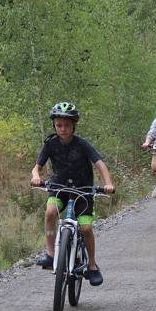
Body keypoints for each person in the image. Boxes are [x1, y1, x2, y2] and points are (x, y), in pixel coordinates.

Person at [30, 102, 115, 286]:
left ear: (74, 126)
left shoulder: (82, 145)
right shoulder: (50, 144)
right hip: (59, 188)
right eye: (59, 125)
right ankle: (51, 254)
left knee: (85, 228)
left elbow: (99, 164)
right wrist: (36, 176)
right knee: (50, 212)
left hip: (82, 192)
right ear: (54, 125)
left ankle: (92, 265)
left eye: (67, 125)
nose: (63, 129)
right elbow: (37, 168)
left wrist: (108, 183)